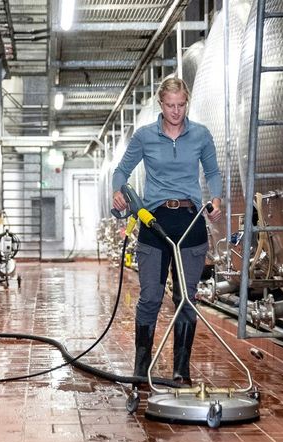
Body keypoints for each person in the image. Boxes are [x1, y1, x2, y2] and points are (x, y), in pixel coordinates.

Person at [111, 77, 223, 385]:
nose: (176, 111)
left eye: (181, 105)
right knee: (150, 297)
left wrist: (215, 199)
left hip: (190, 223)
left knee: (186, 299)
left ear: (187, 103)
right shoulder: (145, 136)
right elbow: (121, 170)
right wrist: (117, 191)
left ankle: (181, 371)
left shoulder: (201, 135)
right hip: (155, 223)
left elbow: (213, 172)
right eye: (170, 105)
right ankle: (141, 367)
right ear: (161, 104)